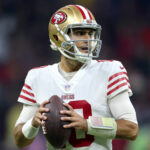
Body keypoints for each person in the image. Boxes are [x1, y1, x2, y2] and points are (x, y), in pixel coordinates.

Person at [13, 4, 138, 150]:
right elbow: (19, 141)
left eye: (91, 33)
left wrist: (87, 124)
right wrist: (33, 124)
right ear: (57, 37)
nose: (88, 39)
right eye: (80, 33)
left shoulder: (110, 70)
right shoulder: (37, 77)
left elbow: (131, 129)